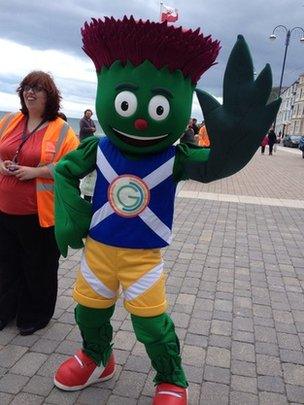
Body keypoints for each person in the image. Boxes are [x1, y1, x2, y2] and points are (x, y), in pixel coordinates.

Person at [53, 17, 280, 405]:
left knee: (151, 324)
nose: (140, 119)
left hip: (142, 259)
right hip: (98, 252)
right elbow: (64, 171)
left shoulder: (175, 157)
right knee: (88, 311)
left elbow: (213, 165)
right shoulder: (100, 149)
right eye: (125, 103)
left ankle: (171, 378)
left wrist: (237, 140)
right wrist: (69, 211)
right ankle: (97, 357)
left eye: (157, 107)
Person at [0, 71, 79, 335]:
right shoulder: (10, 120)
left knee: (39, 267)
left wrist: (38, 172)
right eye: (26, 87)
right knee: (7, 264)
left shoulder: (63, 130)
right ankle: (6, 309)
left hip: (40, 214)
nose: (30, 92)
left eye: (37, 88)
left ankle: (36, 314)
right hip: (4, 209)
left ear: (50, 96)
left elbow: (74, 166)